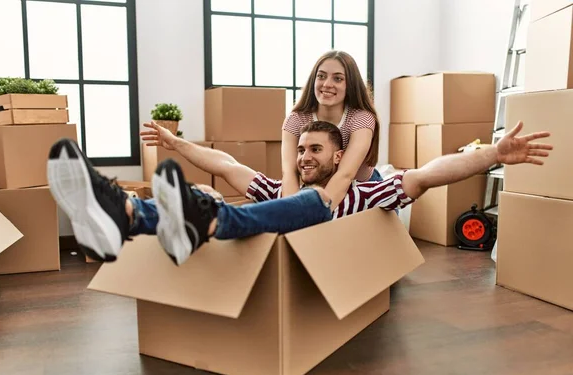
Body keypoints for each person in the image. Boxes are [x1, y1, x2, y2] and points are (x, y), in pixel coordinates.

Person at [47, 119, 551, 265]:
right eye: (301, 149)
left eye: (316, 150)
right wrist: (178, 143)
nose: (304, 156)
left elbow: (430, 172)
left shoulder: (368, 193)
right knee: (214, 194)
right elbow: (228, 164)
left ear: (339, 157)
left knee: (314, 204)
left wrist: (492, 155)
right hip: (269, 267)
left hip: (331, 281)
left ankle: (193, 217)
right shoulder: (278, 186)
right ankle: (129, 212)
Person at [282, 50, 382, 211]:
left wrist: (315, 217)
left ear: (350, 85)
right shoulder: (296, 119)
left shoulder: (361, 118)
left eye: (338, 78)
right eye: (321, 76)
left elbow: (345, 175)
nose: (327, 84)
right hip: (317, 189)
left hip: (363, 189)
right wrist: (293, 215)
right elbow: (290, 174)